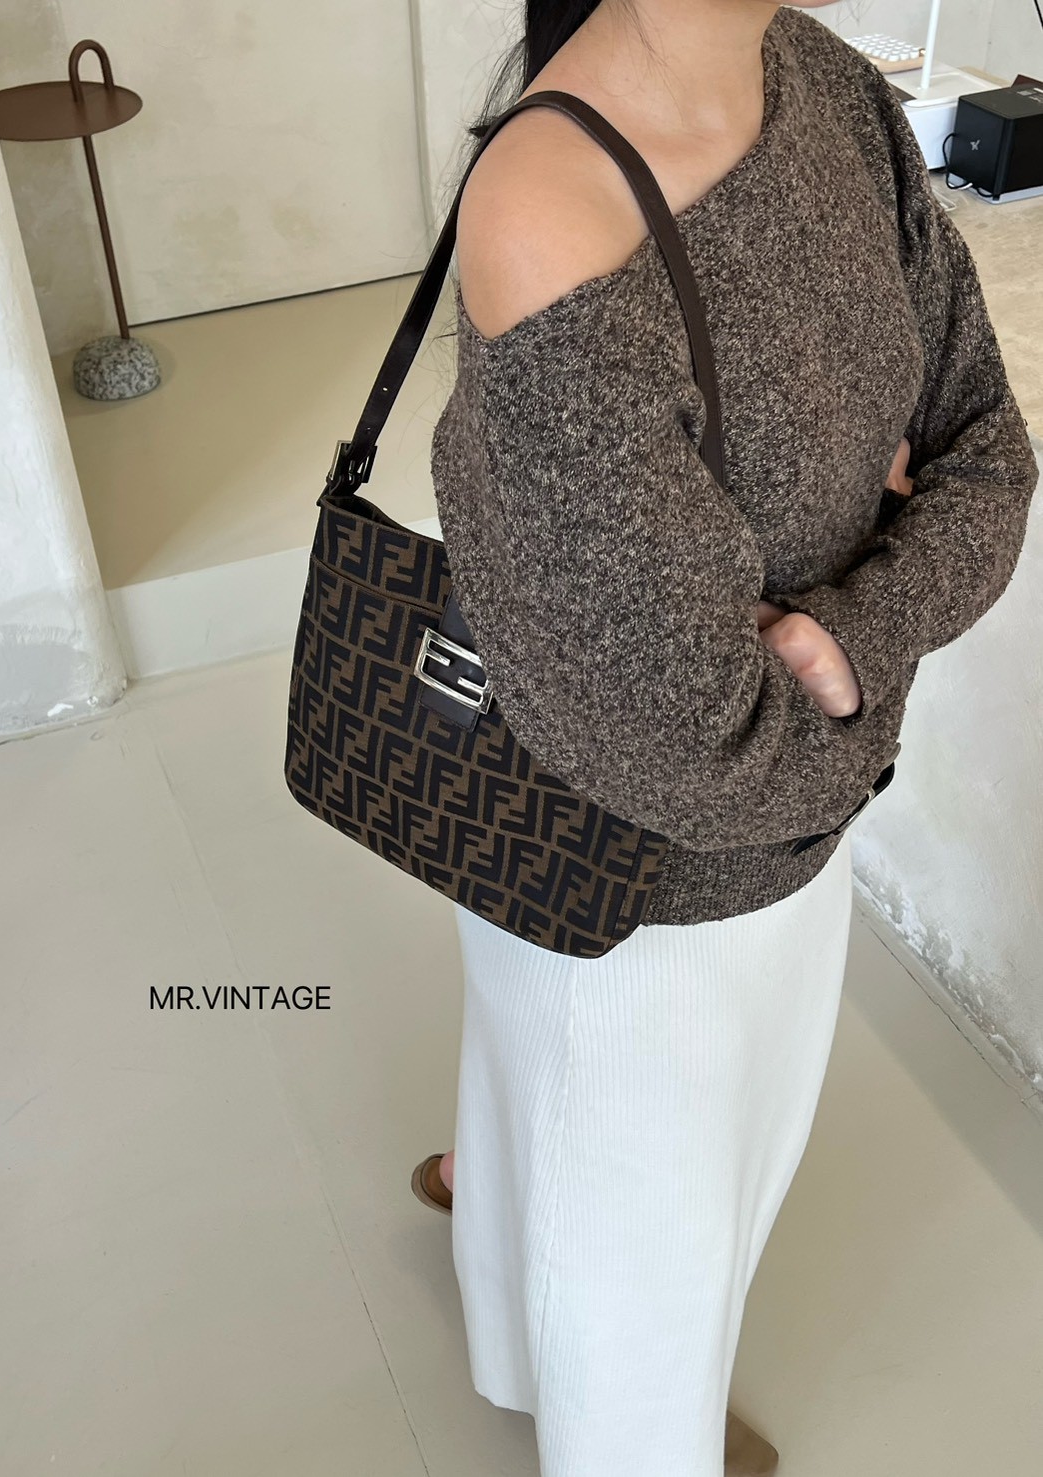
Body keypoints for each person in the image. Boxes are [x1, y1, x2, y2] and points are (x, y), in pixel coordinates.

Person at [413, 2, 1039, 1474]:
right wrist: (858, 655)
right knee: (649, 1251)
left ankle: (510, 1310)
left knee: (594, 1152)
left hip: (775, 820)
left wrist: (843, 635)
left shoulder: (822, 79)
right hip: (638, 888)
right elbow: (690, 745)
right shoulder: (554, 206)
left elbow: (992, 459)